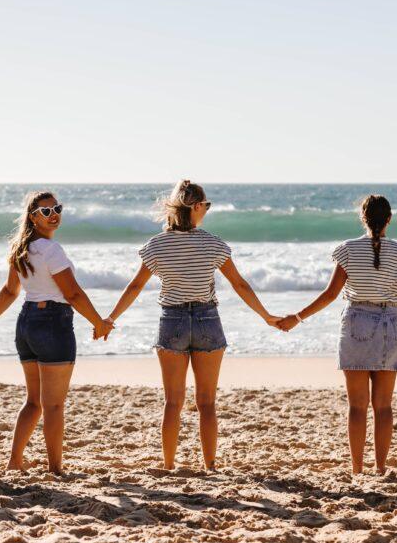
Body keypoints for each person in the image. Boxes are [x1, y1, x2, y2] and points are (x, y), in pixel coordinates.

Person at [104, 180, 280, 470]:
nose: (207, 211)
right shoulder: (212, 243)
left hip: (171, 319)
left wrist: (111, 318)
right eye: (206, 206)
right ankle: (210, 465)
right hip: (207, 320)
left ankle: (169, 464)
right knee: (207, 402)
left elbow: (135, 286)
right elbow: (239, 284)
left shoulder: (156, 245)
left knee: (173, 402)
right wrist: (266, 316)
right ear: (196, 207)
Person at [278, 195, 397, 475]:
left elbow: (330, 294)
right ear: (389, 219)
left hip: (356, 321)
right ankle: (380, 468)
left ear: (362, 218)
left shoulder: (348, 250)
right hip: (389, 323)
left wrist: (297, 318)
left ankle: (357, 469)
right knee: (383, 406)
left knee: (357, 406)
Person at [0, 191, 111, 474]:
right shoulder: (52, 251)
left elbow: (9, 292)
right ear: (33, 217)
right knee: (53, 405)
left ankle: (15, 461)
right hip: (53, 323)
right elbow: (73, 294)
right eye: (45, 211)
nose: (53, 214)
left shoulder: (22, 249)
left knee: (34, 401)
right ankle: (55, 468)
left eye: (57, 208)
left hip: (26, 323)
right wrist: (98, 322)